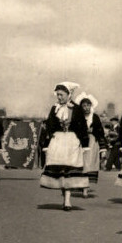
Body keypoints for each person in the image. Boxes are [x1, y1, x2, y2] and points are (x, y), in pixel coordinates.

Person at [39, 82, 89, 211]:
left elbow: (82, 127)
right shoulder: (54, 108)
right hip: (58, 142)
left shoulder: (76, 109)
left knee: (69, 171)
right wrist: (47, 143)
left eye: (61, 95)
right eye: (58, 94)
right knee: (60, 170)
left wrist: (84, 144)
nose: (59, 97)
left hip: (72, 142)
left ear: (69, 94)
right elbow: (49, 127)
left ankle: (67, 200)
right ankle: (64, 195)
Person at [74, 91, 106, 197]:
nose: (86, 107)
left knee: (89, 164)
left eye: (88, 105)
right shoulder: (78, 117)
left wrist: (102, 147)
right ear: (81, 107)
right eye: (84, 105)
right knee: (82, 164)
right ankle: (82, 186)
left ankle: (85, 188)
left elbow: (100, 132)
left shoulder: (95, 117)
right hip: (81, 143)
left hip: (92, 144)